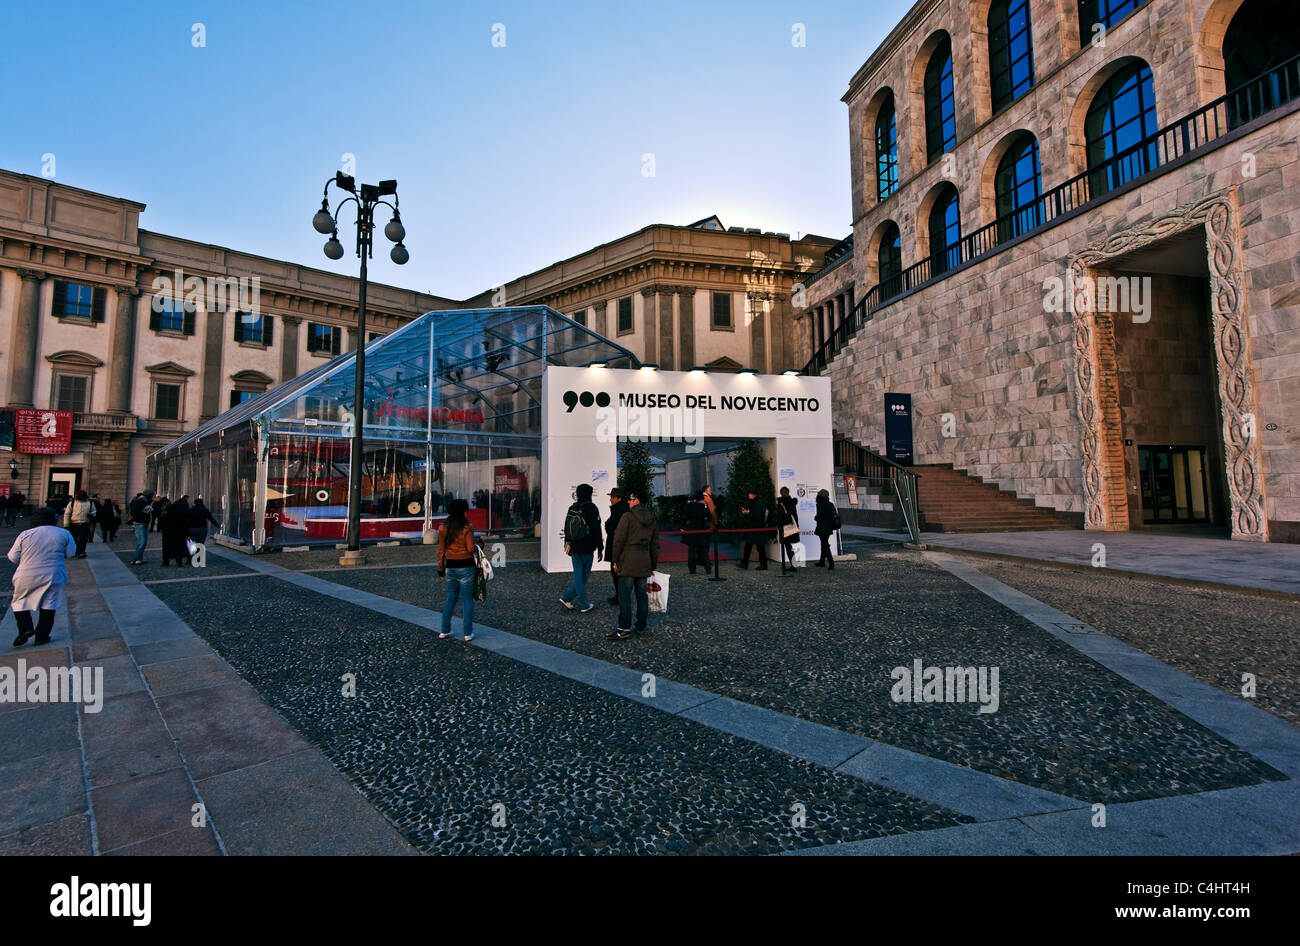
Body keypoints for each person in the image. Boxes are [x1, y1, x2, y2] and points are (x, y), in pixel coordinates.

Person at [7, 507, 76, 646]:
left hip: (27, 573)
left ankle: (25, 628)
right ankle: (42, 636)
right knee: (50, 603)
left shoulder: (25, 534)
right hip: (54, 573)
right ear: (54, 518)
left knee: (20, 601)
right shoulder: (64, 533)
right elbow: (70, 553)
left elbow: (13, 557)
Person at [608, 489, 659, 641]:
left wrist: (615, 560)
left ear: (636, 500)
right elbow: (655, 544)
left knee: (625, 596)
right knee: (642, 595)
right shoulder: (652, 518)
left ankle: (624, 628)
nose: (628, 502)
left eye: (630, 499)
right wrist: (653, 564)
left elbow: (618, 540)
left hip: (628, 560)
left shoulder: (627, 516)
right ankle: (641, 625)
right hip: (644, 560)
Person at [437, 498, 478, 642]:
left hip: (451, 566)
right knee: (467, 599)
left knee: (450, 598)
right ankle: (468, 633)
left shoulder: (442, 527)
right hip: (466, 565)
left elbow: (441, 550)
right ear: (463, 511)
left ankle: (444, 630)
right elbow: (470, 548)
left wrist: (441, 569)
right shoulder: (467, 526)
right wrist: (480, 545)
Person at [559, 483, 603, 613]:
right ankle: (584, 604)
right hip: (587, 547)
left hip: (574, 546)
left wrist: (567, 544)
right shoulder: (591, 508)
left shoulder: (573, 507)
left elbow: (567, 528)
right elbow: (596, 529)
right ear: (589, 494)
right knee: (582, 577)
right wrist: (600, 547)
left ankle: (566, 597)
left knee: (578, 574)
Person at [604, 487, 628, 605]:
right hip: (617, 544)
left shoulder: (620, 511)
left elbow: (610, 525)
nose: (610, 499)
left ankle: (621, 596)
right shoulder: (621, 510)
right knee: (616, 572)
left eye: (612, 497)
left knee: (616, 571)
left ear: (619, 498)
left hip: (617, 545)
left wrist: (608, 526)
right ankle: (620, 595)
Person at [738, 489, 769, 570]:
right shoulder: (755, 503)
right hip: (754, 528)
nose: (749, 495)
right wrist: (746, 513)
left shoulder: (757, 504)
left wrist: (747, 513)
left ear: (752, 495)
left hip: (757, 529)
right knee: (750, 546)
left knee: (759, 547)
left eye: (750, 493)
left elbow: (756, 517)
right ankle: (745, 563)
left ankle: (763, 565)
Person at [684, 489, 713, 575]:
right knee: (704, 551)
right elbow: (709, 517)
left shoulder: (690, 505)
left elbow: (686, 517)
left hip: (692, 530)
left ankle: (692, 569)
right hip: (702, 530)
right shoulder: (704, 506)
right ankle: (708, 568)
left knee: (692, 551)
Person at [63, 489, 96, 558]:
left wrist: (92, 514)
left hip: (85, 523)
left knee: (83, 539)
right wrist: (66, 524)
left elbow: (94, 511)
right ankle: (77, 551)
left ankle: (81, 552)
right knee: (74, 539)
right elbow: (67, 514)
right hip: (74, 523)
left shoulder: (90, 502)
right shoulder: (72, 503)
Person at [160, 497, 191, 566]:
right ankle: (178, 561)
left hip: (167, 535)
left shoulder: (165, 516)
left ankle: (166, 562)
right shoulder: (180, 516)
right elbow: (185, 525)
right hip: (178, 535)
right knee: (178, 548)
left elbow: (161, 525)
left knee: (166, 549)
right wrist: (187, 533)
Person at [814, 488, 840, 570]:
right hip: (829, 527)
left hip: (822, 527)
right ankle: (822, 561)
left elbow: (819, 517)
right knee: (824, 543)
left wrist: (816, 518)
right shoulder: (831, 504)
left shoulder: (819, 505)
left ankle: (831, 562)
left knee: (825, 544)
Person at [776, 486, 800, 570]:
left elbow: (779, 516)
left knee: (787, 546)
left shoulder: (780, 503)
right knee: (792, 546)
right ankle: (794, 564)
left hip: (785, 526)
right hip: (792, 525)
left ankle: (793, 565)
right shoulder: (792, 502)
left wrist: (779, 525)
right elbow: (795, 515)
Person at [128, 491, 154, 565]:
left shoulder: (143, 501)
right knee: (142, 542)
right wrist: (146, 510)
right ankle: (136, 559)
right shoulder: (139, 501)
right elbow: (134, 512)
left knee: (142, 542)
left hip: (143, 523)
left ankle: (139, 558)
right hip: (140, 523)